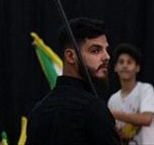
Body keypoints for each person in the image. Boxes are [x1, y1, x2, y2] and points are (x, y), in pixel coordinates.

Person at [26, 17, 120, 145]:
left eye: (106, 50)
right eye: (95, 50)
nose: (107, 57)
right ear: (70, 56)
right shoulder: (93, 109)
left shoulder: (37, 112)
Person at [106, 44, 154, 144]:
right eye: (121, 62)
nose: (125, 66)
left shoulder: (146, 89)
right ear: (115, 68)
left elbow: (146, 119)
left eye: (129, 62)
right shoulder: (113, 100)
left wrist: (115, 114)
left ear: (137, 68)